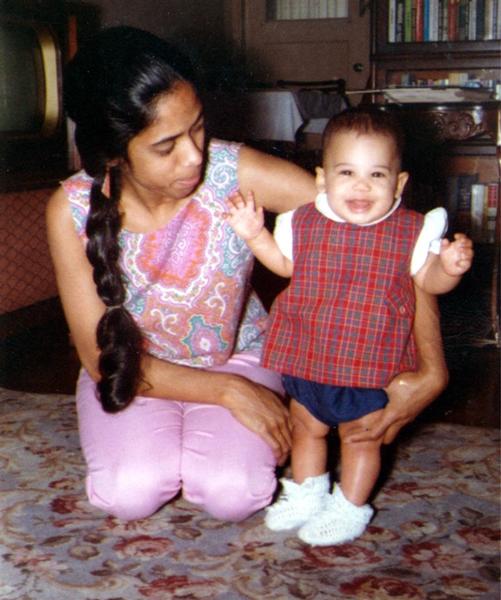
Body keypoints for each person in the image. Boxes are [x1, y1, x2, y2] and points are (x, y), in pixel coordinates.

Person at [46, 26, 448, 525]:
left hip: (238, 355)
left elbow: (385, 237)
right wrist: (229, 393)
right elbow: (101, 358)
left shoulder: (233, 171)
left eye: (197, 127)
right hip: (133, 371)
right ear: (113, 153)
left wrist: (431, 368)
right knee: (129, 493)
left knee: (235, 494)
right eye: (167, 145)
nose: (195, 155)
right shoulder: (70, 210)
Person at [226, 107, 473, 543]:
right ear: (322, 179)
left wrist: (449, 268)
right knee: (306, 427)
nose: (361, 186)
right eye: (347, 172)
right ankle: (307, 493)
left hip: (369, 364)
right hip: (308, 355)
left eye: (377, 175)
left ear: (398, 183)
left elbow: (428, 282)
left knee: (362, 438)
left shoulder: (411, 231)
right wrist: (253, 234)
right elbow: (283, 266)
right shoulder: (300, 222)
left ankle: (350, 505)